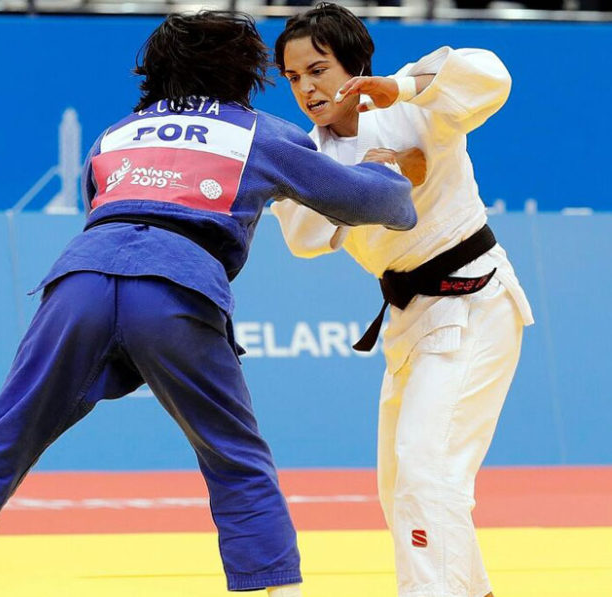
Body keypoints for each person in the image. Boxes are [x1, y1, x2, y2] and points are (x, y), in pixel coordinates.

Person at [0, 10, 416, 597]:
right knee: (234, 458)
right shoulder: (258, 130)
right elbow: (376, 204)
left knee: (1, 443)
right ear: (242, 73)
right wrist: (383, 170)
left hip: (79, 281)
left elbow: (99, 206)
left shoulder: (113, 134)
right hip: (176, 286)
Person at [271, 4, 534, 597]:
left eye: (318, 69)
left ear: (355, 65)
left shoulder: (417, 100)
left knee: (428, 472)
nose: (307, 88)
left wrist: (404, 88)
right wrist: (382, 173)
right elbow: (304, 238)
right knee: (401, 486)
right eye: (293, 78)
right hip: (411, 321)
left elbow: (491, 77)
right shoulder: (304, 159)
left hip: (473, 298)